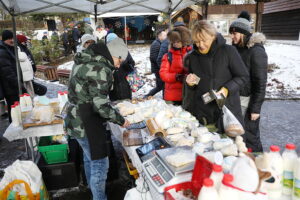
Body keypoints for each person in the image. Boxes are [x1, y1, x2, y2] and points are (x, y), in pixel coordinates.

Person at [64, 38, 130, 200]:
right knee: (100, 164)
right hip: (87, 121)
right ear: (112, 55)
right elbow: (99, 104)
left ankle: (93, 191)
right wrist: (121, 120)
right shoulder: (101, 69)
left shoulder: (85, 59)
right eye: (119, 59)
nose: (119, 64)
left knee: (89, 159)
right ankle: (99, 197)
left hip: (75, 118)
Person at [182, 20, 249, 132]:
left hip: (226, 109)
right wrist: (190, 83)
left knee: (229, 145)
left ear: (213, 36)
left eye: (204, 40)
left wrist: (227, 89)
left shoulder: (228, 51)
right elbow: (196, 82)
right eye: (197, 42)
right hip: (202, 111)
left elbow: (243, 76)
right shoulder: (193, 57)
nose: (201, 45)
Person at [230, 11, 268, 152]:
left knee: (250, 136)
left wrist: (255, 109)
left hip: (248, 99)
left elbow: (261, 82)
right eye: (231, 33)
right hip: (235, 98)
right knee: (237, 135)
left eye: (235, 33)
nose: (232, 36)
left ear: (243, 33)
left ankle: (259, 166)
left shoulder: (256, 51)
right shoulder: (235, 48)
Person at [159, 26, 192, 105]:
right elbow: (163, 74)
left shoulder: (191, 54)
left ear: (183, 41)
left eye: (178, 41)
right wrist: (176, 77)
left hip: (187, 95)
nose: (175, 44)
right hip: (172, 97)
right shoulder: (168, 56)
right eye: (174, 42)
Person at [0, 30, 24, 122]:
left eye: (13, 38)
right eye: (10, 38)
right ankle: (14, 127)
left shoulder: (8, 48)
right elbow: (8, 73)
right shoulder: (2, 51)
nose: (12, 40)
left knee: (15, 108)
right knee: (14, 108)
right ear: (6, 39)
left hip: (13, 86)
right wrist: (19, 85)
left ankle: (15, 124)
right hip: (10, 87)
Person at [106, 33, 135, 101]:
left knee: (127, 103)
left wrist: (125, 64)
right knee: (115, 104)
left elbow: (132, 63)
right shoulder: (106, 53)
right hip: (113, 83)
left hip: (125, 81)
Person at [144, 29, 167, 98]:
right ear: (159, 36)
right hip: (157, 69)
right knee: (160, 86)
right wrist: (161, 66)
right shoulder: (156, 44)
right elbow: (154, 58)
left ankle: (164, 97)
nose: (166, 37)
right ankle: (147, 96)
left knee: (161, 85)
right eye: (164, 35)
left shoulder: (158, 43)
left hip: (158, 68)